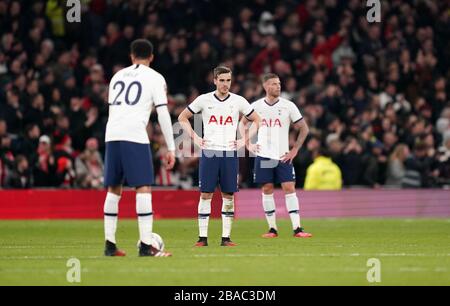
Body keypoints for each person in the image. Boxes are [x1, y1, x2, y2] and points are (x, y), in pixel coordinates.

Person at [103, 39, 176, 257]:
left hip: (112, 134)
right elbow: (162, 112)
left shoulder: (117, 76)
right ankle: (146, 246)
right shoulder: (155, 77)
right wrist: (171, 147)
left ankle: (110, 245)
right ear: (151, 57)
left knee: (114, 188)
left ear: (131, 56)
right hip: (134, 135)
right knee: (143, 187)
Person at [178, 66, 261, 247]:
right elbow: (182, 117)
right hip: (210, 152)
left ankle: (226, 238)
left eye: (228, 80)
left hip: (230, 153)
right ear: (215, 80)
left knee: (228, 195)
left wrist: (244, 141)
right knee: (205, 194)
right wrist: (196, 138)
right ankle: (202, 238)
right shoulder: (203, 100)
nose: (225, 84)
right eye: (222, 80)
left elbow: (258, 120)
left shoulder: (239, 101)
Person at [249, 73, 312, 239]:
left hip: (283, 155)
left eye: (279, 83)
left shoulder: (288, 106)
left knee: (289, 188)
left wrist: (295, 149)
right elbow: (242, 124)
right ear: (265, 86)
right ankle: (272, 229)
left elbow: (304, 128)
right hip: (263, 155)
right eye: (274, 84)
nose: (278, 86)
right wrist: (248, 144)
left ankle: (298, 228)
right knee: (267, 189)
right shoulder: (256, 106)